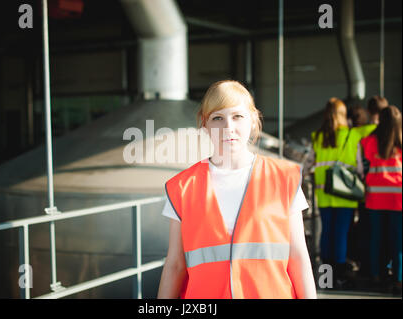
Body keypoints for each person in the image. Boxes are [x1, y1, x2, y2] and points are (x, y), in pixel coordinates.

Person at [157, 80, 317, 299]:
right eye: (217, 118)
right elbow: (175, 265)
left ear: (252, 119)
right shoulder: (182, 187)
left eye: (237, 117)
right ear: (205, 124)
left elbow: (298, 255)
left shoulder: (284, 178)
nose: (228, 127)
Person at [311, 97, 363, 288]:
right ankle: (340, 277)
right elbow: (358, 166)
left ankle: (327, 279)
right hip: (345, 193)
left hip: (324, 193)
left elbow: (310, 162)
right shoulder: (351, 135)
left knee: (327, 233)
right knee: (341, 234)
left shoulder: (317, 136)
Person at [360, 105, 402, 295]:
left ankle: (376, 274)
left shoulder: (368, 141)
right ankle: (399, 278)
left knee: (375, 237)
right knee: (398, 240)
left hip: (375, 197)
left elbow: (362, 169)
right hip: (398, 199)